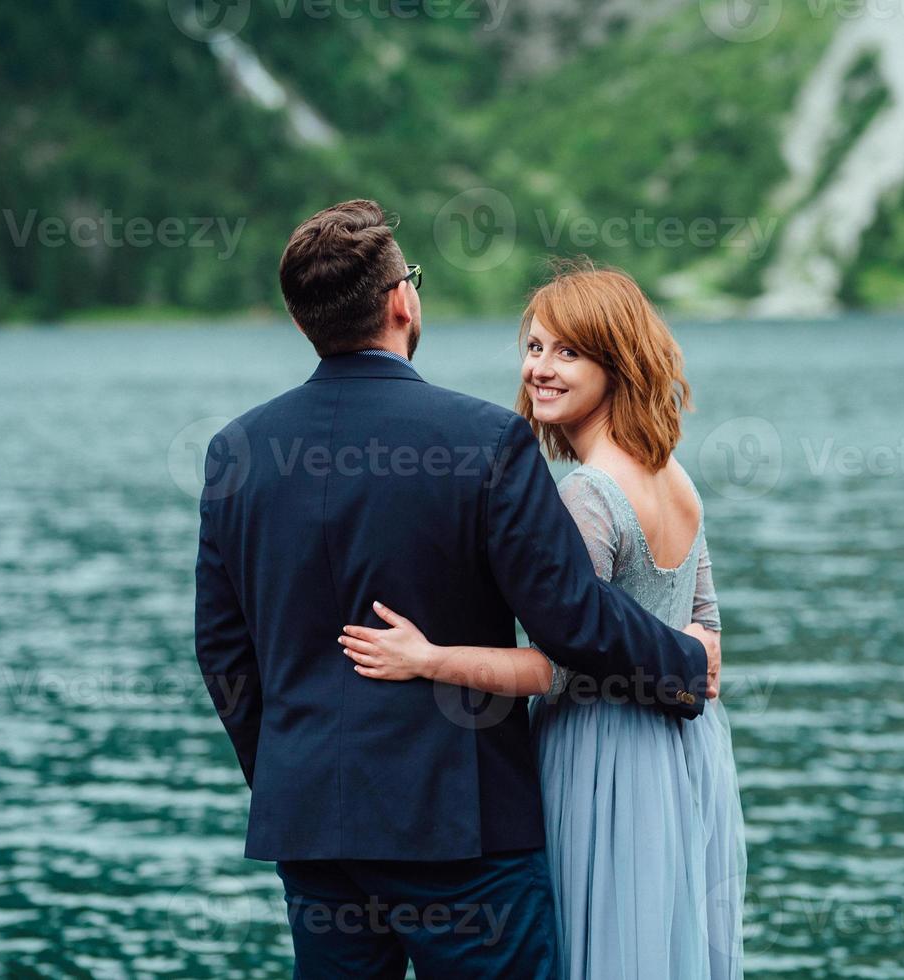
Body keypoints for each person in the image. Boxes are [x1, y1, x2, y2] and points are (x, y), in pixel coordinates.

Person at [193, 201, 715, 979]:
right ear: (402, 299)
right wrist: (682, 663)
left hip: (313, 831)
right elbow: (569, 617)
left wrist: (286, 777)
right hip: (463, 830)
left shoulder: (236, 450)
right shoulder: (483, 439)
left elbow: (222, 650)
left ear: (306, 320)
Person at [342, 262, 747, 978]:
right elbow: (704, 624)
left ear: (616, 364)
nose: (541, 369)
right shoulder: (672, 473)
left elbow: (558, 663)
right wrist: (697, 656)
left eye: (568, 352)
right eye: (534, 348)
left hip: (600, 753)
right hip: (681, 752)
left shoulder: (589, 493)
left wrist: (427, 658)